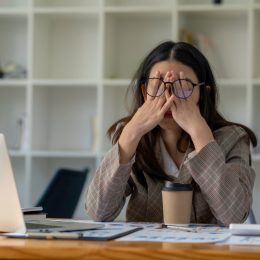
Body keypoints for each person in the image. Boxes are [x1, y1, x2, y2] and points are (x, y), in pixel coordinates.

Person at [86, 41, 257, 225]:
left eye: (182, 86)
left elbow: (234, 216)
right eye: (157, 85)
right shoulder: (133, 137)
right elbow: (99, 212)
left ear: (204, 93)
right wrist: (131, 132)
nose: (168, 97)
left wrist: (200, 133)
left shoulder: (233, 138)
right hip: (145, 252)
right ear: (144, 91)